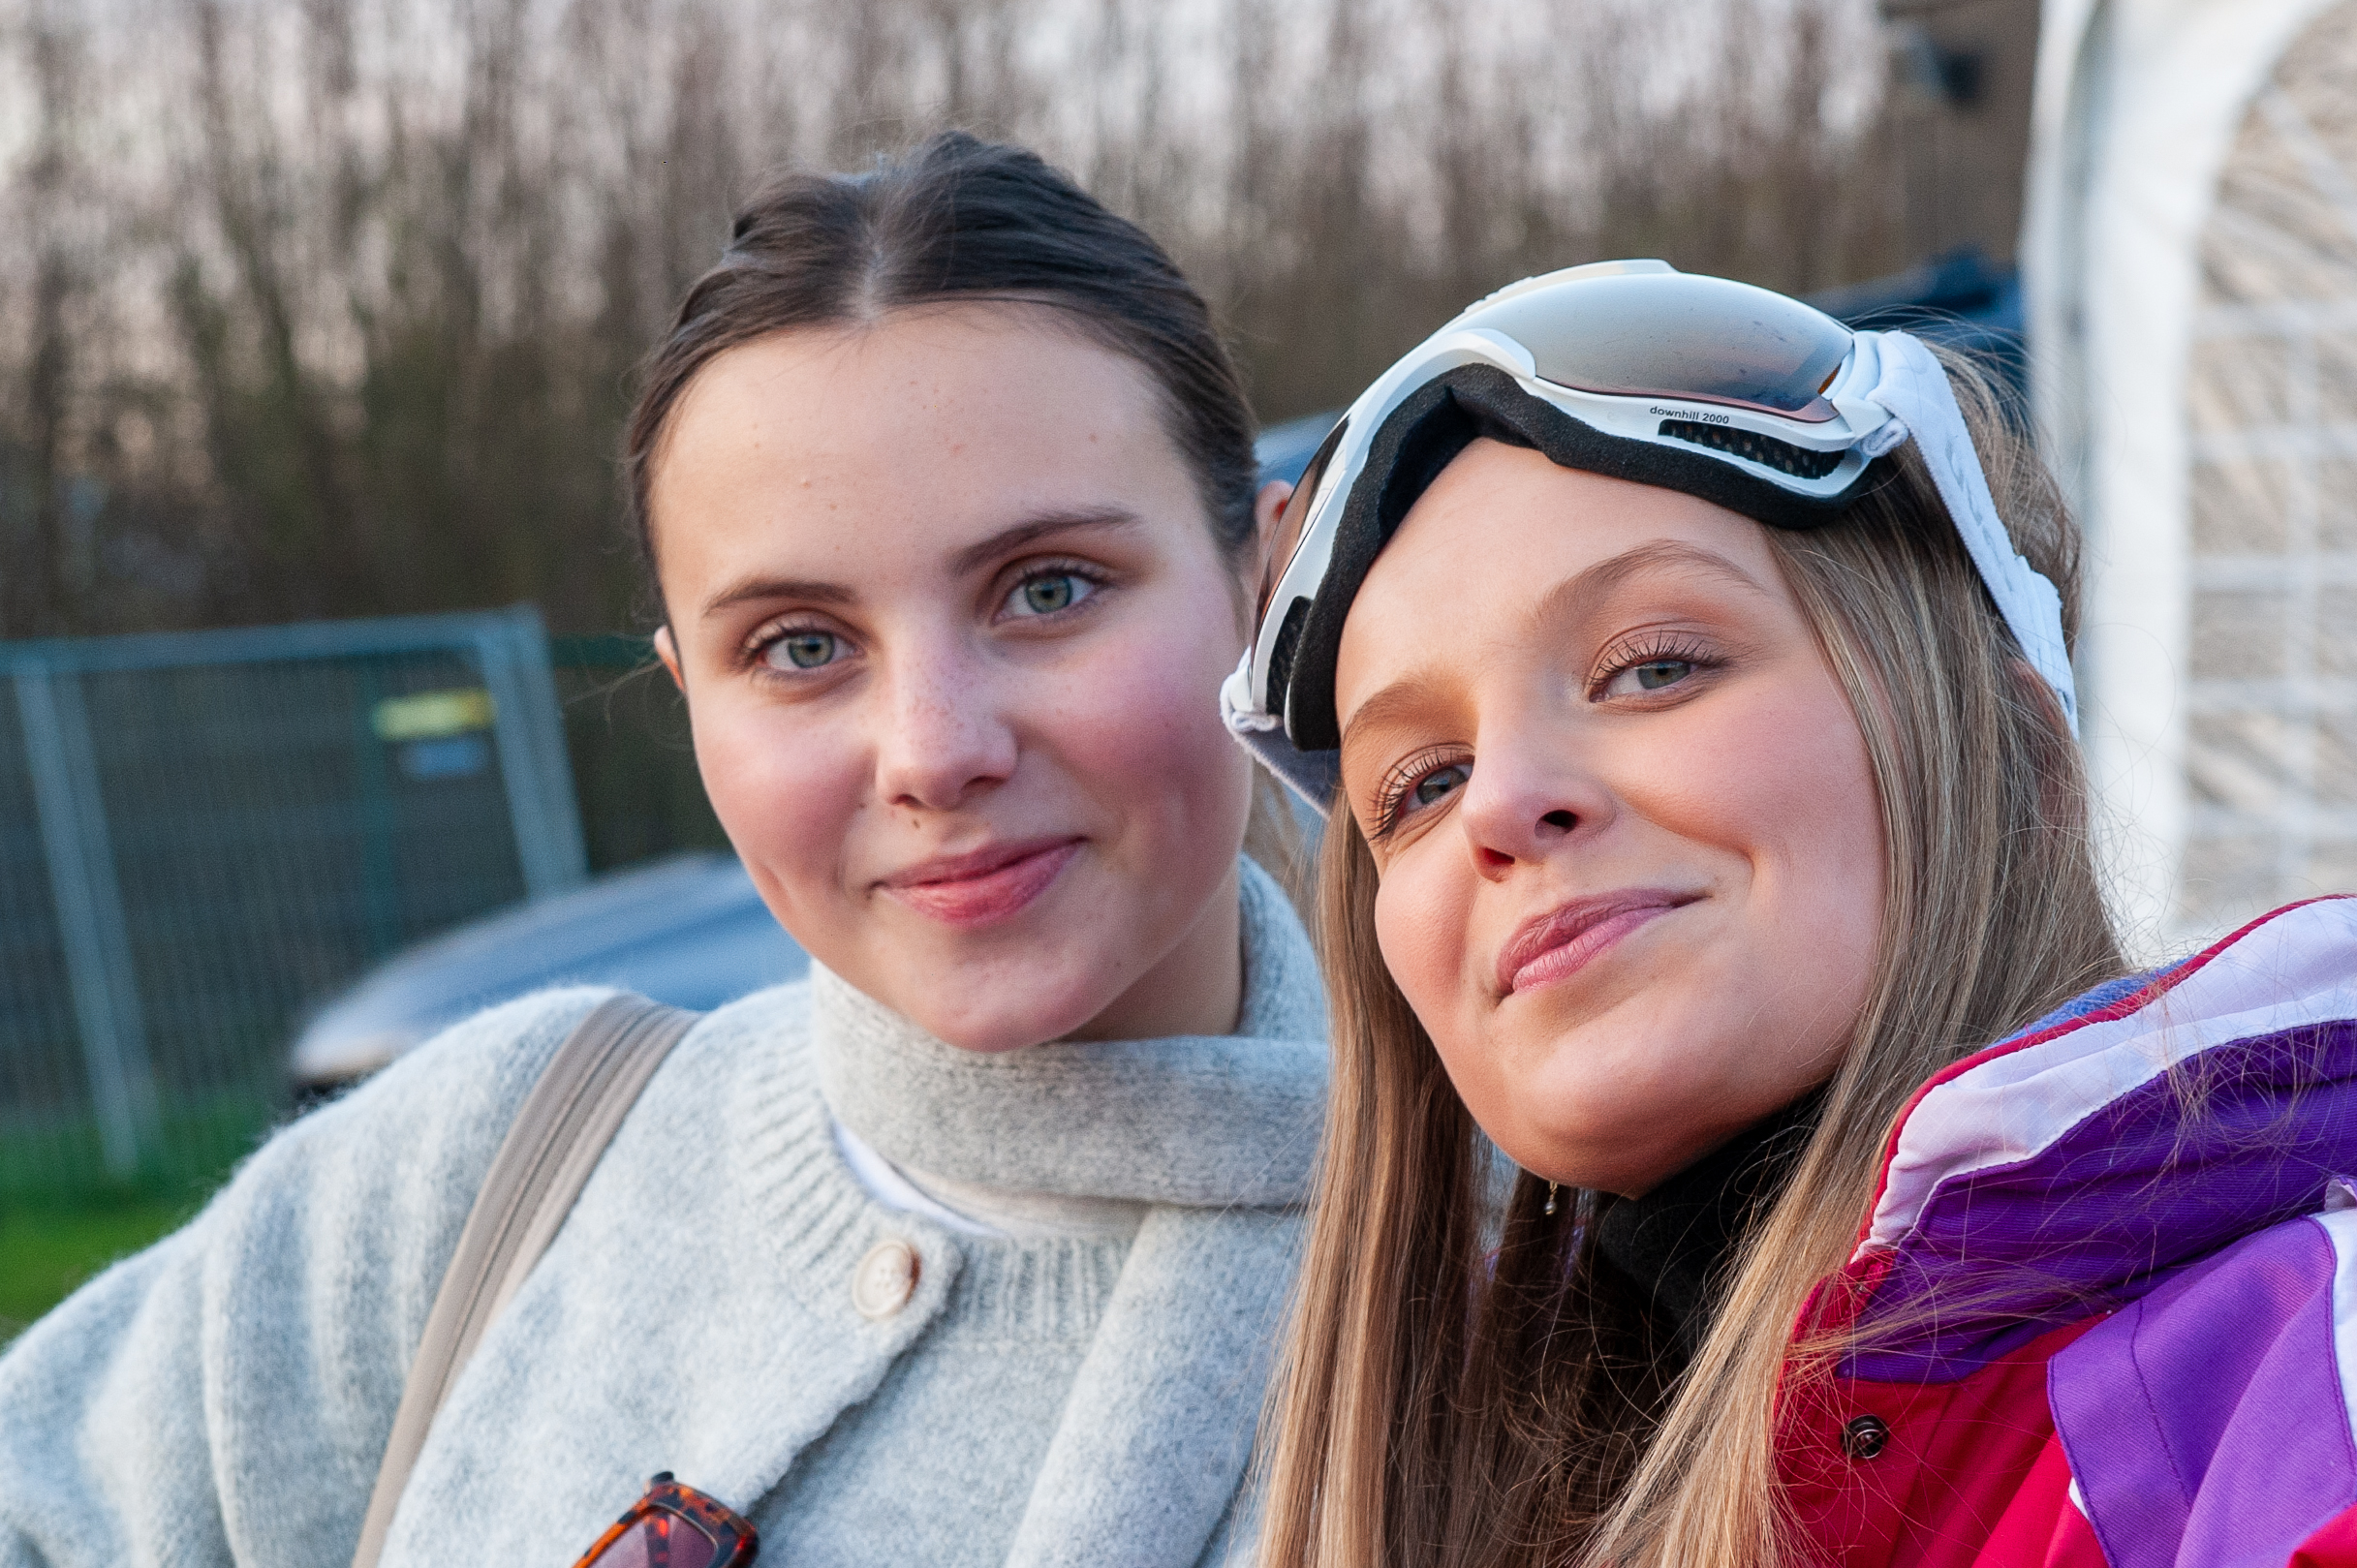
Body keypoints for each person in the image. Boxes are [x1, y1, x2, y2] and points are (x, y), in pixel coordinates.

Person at [0, 134, 1326, 1568]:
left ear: (1266, 583)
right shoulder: (492, 1161)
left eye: (1048, 588)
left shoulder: (1491, 1318)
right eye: (800, 646)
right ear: (689, 692)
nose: (932, 751)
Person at [1226, 261, 2357, 1568]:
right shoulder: (1449, 1505)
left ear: (2010, 756)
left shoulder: (2301, 1396)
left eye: (1651, 667)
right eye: (1421, 784)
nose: (1503, 803)